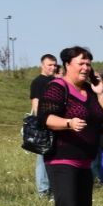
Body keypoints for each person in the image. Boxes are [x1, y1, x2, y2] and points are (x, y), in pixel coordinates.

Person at [39, 46, 103, 206]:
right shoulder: (58, 87)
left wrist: (100, 94)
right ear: (68, 64)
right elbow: (45, 117)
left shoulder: (89, 90)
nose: (86, 67)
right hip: (61, 158)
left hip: (84, 160)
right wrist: (69, 123)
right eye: (81, 63)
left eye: (88, 63)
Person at [30, 54, 59, 197]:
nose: (53, 68)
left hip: (57, 123)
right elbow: (35, 105)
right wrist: (41, 124)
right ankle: (43, 190)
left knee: (54, 158)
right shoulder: (38, 82)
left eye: (55, 65)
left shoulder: (57, 81)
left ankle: (55, 188)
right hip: (44, 125)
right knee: (43, 157)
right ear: (42, 65)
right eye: (50, 65)